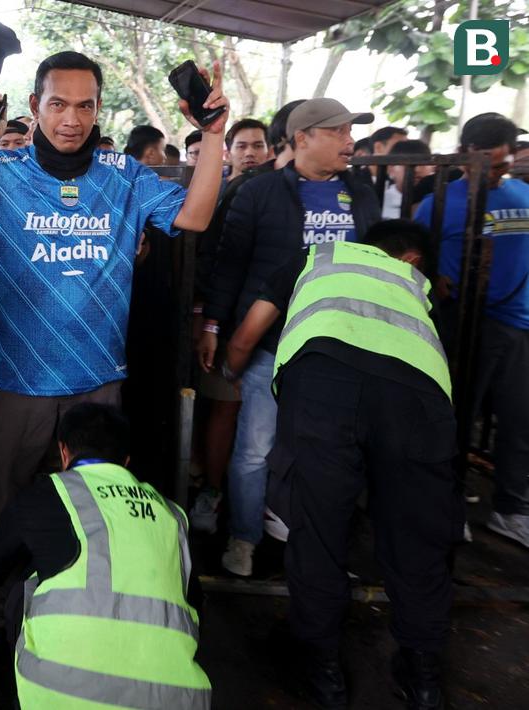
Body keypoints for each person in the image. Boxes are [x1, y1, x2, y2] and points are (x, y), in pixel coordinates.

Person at [0, 51, 228, 676]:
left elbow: (194, 214)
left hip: (97, 383)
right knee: (5, 504)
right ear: (35, 107)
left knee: (94, 514)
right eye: (58, 103)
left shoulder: (126, 177)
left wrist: (215, 138)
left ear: (98, 109)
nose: (71, 118)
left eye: (85, 105)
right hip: (18, 380)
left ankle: (74, 617)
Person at [224, 220, 461, 709]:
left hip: (321, 382)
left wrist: (230, 371)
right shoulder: (417, 285)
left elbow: (250, 331)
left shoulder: (317, 257)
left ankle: (323, 671)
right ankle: (422, 676)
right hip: (417, 393)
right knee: (417, 534)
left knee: (318, 528)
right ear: (413, 259)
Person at [199, 97, 378, 577]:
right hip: (270, 345)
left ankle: (313, 537)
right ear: (303, 138)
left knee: (329, 450)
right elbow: (229, 264)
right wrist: (215, 325)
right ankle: (243, 536)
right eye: (338, 132)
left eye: (348, 132)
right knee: (255, 449)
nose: (349, 142)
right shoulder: (260, 193)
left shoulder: (361, 193)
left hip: (341, 347)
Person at [0, 403, 211, 707]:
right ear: (125, 462)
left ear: (63, 452)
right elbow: (195, 606)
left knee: (27, 578)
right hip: (179, 699)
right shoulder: (173, 514)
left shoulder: (46, 495)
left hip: (62, 696)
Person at [415, 112, 529, 550]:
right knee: (456, 419)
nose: (496, 173)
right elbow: (414, 255)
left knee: (519, 421)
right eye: (488, 163)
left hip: (518, 324)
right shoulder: (441, 202)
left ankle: (511, 510)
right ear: (465, 154)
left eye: (503, 163)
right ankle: (449, 506)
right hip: (463, 322)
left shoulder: (522, 192)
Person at [189, 100, 301, 534]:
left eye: (259, 145)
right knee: (224, 410)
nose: (251, 152)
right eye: (242, 145)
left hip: (284, 334)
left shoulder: (298, 193)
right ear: (228, 150)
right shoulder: (225, 193)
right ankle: (214, 490)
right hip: (231, 324)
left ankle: (260, 505)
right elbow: (215, 260)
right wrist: (208, 319)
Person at [382, 138, 433, 219]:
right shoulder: (379, 201)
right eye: (406, 163)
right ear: (390, 169)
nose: (417, 170)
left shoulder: (439, 200)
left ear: (432, 167)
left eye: (423, 163)